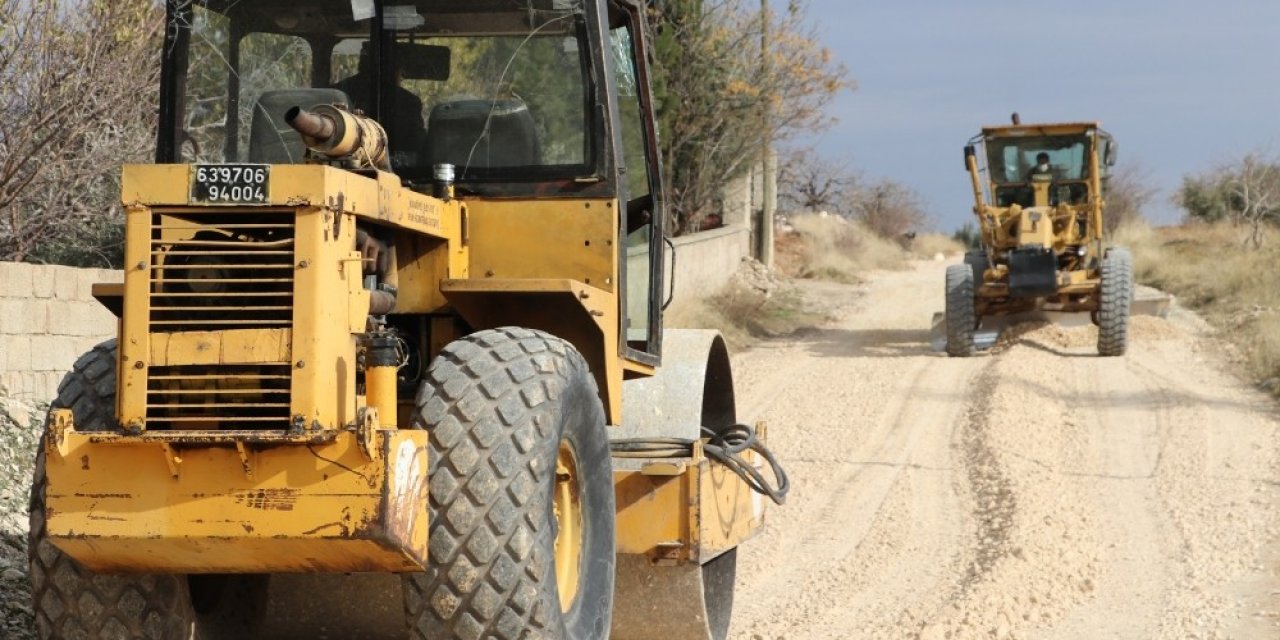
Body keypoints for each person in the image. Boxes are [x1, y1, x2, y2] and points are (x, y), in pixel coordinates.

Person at [334, 42, 428, 166]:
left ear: (361, 63)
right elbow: (417, 145)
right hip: (399, 173)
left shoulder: (337, 92)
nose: (402, 77)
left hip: (338, 167)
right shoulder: (408, 102)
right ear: (396, 70)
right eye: (402, 72)